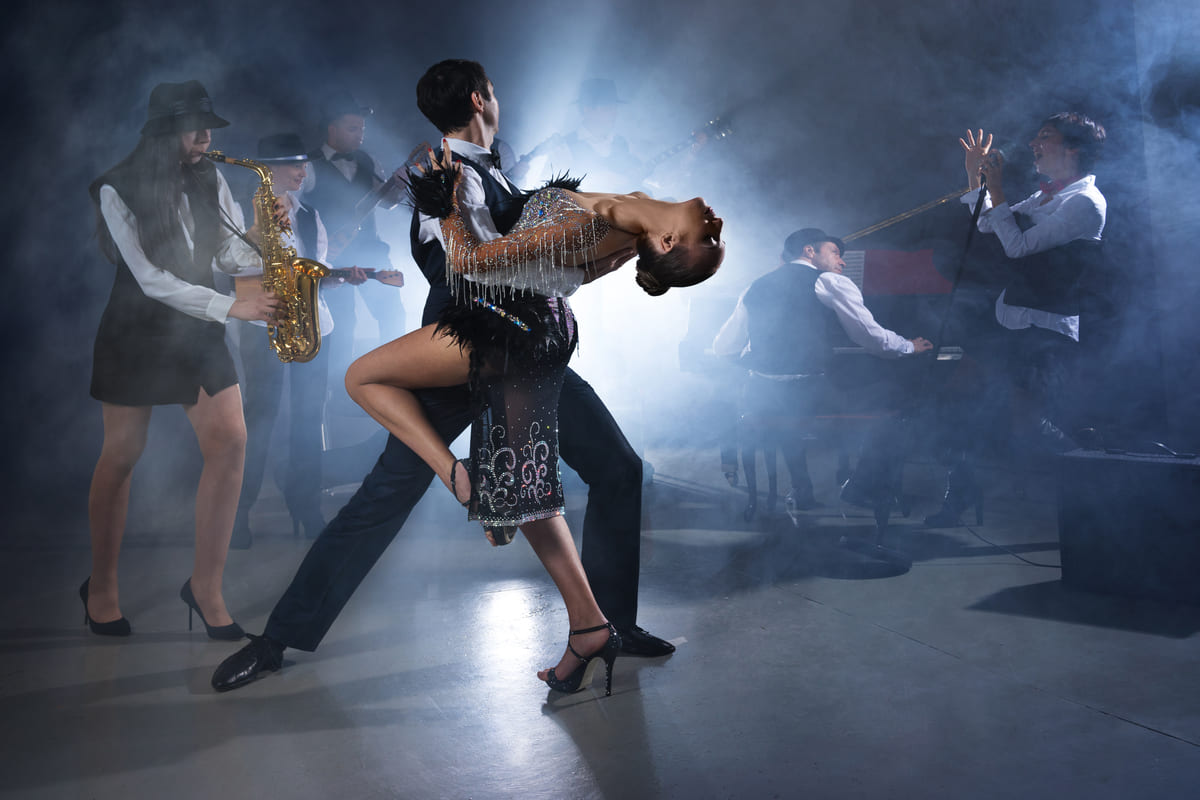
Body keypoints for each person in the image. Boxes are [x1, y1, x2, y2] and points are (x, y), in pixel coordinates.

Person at [210, 59, 711, 695]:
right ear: (479, 98)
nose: (498, 99)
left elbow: (536, 266)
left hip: (523, 347)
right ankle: (277, 639)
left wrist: (620, 249)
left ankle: (610, 625)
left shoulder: (490, 171)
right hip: (460, 351)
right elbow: (467, 266)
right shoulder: (445, 176)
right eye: (493, 91)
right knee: (386, 494)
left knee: (618, 468)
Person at [83, 81, 280, 639]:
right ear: (163, 130)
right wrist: (233, 306)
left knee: (231, 442)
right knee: (122, 454)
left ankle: (205, 587)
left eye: (209, 126)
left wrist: (261, 239)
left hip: (197, 328)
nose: (207, 137)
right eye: (196, 127)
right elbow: (149, 279)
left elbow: (225, 254)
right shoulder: (115, 187)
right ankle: (101, 587)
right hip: (135, 331)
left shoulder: (210, 175)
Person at [925, 114, 1106, 526]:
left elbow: (1018, 247)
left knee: (1026, 421)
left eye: (1045, 137)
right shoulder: (1045, 196)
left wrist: (998, 186)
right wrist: (976, 177)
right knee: (959, 394)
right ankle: (962, 488)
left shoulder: (1084, 202)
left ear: (1073, 148)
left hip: (1046, 330)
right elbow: (989, 224)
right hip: (1008, 320)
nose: (1033, 144)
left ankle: (1091, 473)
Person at [713, 228, 931, 517]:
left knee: (788, 411)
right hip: (809, 396)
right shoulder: (828, 281)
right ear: (809, 251)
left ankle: (802, 489)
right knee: (896, 404)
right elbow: (870, 336)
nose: (842, 261)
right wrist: (908, 346)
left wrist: (764, 357)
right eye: (835, 252)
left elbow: (723, 347)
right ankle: (862, 486)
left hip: (761, 398)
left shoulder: (755, 286)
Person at [230, 133, 364, 548]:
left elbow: (314, 270)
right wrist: (260, 230)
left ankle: (305, 507)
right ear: (267, 170)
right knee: (259, 420)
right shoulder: (241, 213)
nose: (303, 171)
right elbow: (233, 266)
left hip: (310, 326)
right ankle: (238, 512)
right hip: (265, 326)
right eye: (294, 164)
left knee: (309, 421)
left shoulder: (310, 215)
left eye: (304, 163)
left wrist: (337, 278)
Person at [301, 92, 407, 403]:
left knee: (393, 314)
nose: (360, 135)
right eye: (352, 128)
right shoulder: (309, 164)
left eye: (362, 129)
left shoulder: (368, 161)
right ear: (331, 129)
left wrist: (400, 185)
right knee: (342, 324)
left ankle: (393, 380)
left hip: (372, 251)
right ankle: (342, 391)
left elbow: (388, 202)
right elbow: (296, 209)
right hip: (333, 259)